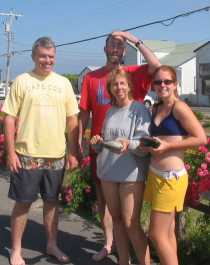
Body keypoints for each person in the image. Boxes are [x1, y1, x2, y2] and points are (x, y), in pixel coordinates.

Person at [79, 30, 160, 261]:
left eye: (119, 46)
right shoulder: (100, 93)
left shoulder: (137, 96)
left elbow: (157, 65)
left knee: (130, 222)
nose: (119, 88)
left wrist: (132, 38)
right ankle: (114, 251)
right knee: (112, 215)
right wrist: (86, 142)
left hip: (130, 169)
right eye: (111, 45)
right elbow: (85, 114)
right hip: (105, 161)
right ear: (105, 49)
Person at [3, 37, 79, 265]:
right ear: (34, 56)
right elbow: (9, 118)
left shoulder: (63, 83)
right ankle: (16, 250)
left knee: (51, 203)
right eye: (43, 56)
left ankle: (51, 244)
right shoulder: (22, 81)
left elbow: (72, 120)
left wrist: (73, 151)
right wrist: (10, 152)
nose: (48, 61)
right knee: (23, 203)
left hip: (56, 155)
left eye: (51, 57)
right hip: (27, 155)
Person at [142, 65, 207, 265]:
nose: (162, 85)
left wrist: (168, 146)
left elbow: (201, 138)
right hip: (155, 174)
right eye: (158, 82)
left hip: (171, 179)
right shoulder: (156, 107)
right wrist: (148, 145)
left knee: (156, 234)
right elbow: (158, 139)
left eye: (167, 81)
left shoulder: (179, 107)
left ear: (175, 84)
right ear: (153, 86)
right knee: (168, 233)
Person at [90, 68, 151, 265]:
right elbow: (107, 143)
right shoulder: (110, 111)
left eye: (122, 83)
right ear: (111, 88)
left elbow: (144, 144)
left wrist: (130, 143)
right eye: (115, 84)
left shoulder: (139, 109)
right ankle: (123, 261)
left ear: (129, 86)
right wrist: (97, 143)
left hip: (131, 174)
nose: (119, 87)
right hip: (108, 172)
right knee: (116, 220)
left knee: (131, 224)